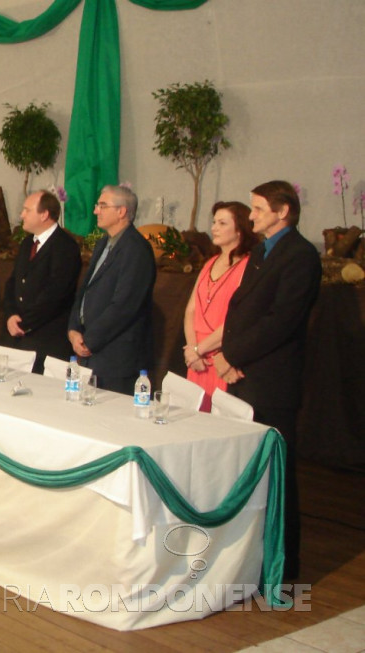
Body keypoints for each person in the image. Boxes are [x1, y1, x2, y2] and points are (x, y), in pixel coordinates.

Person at [215, 180, 322, 579]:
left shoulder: (300, 256)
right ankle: (244, 559)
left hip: (271, 380)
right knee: (244, 470)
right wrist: (229, 358)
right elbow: (243, 311)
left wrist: (233, 356)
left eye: (259, 209)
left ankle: (279, 567)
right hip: (243, 374)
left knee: (274, 473)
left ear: (282, 212)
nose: (252, 215)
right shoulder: (261, 250)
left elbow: (280, 321)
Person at [68, 185, 156, 394]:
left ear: (122, 211)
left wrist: (91, 339)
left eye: (102, 205)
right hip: (90, 352)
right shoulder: (103, 244)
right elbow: (84, 291)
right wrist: (73, 329)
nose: (96, 211)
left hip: (116, 357)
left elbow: (124, 305)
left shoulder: (136, 250)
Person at [183, 201, 257, 412]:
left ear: (240, 229)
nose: (214, 227)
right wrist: (191, 349)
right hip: (197, 360)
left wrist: (200, 349)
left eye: (222, 223)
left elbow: (237, 321)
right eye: (214, 222)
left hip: (219, 357)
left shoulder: (247, 266)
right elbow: (191, 310)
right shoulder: (210, 262)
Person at [3, 190, 82, 374]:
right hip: (20, 337)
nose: (22, 215)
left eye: (27, 210)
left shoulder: (65, 247)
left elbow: (55, 295)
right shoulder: (27, 244)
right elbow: (12, 283)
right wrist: (10, 315)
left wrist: (24, 323)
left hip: (47, 340)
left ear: (44, 214)